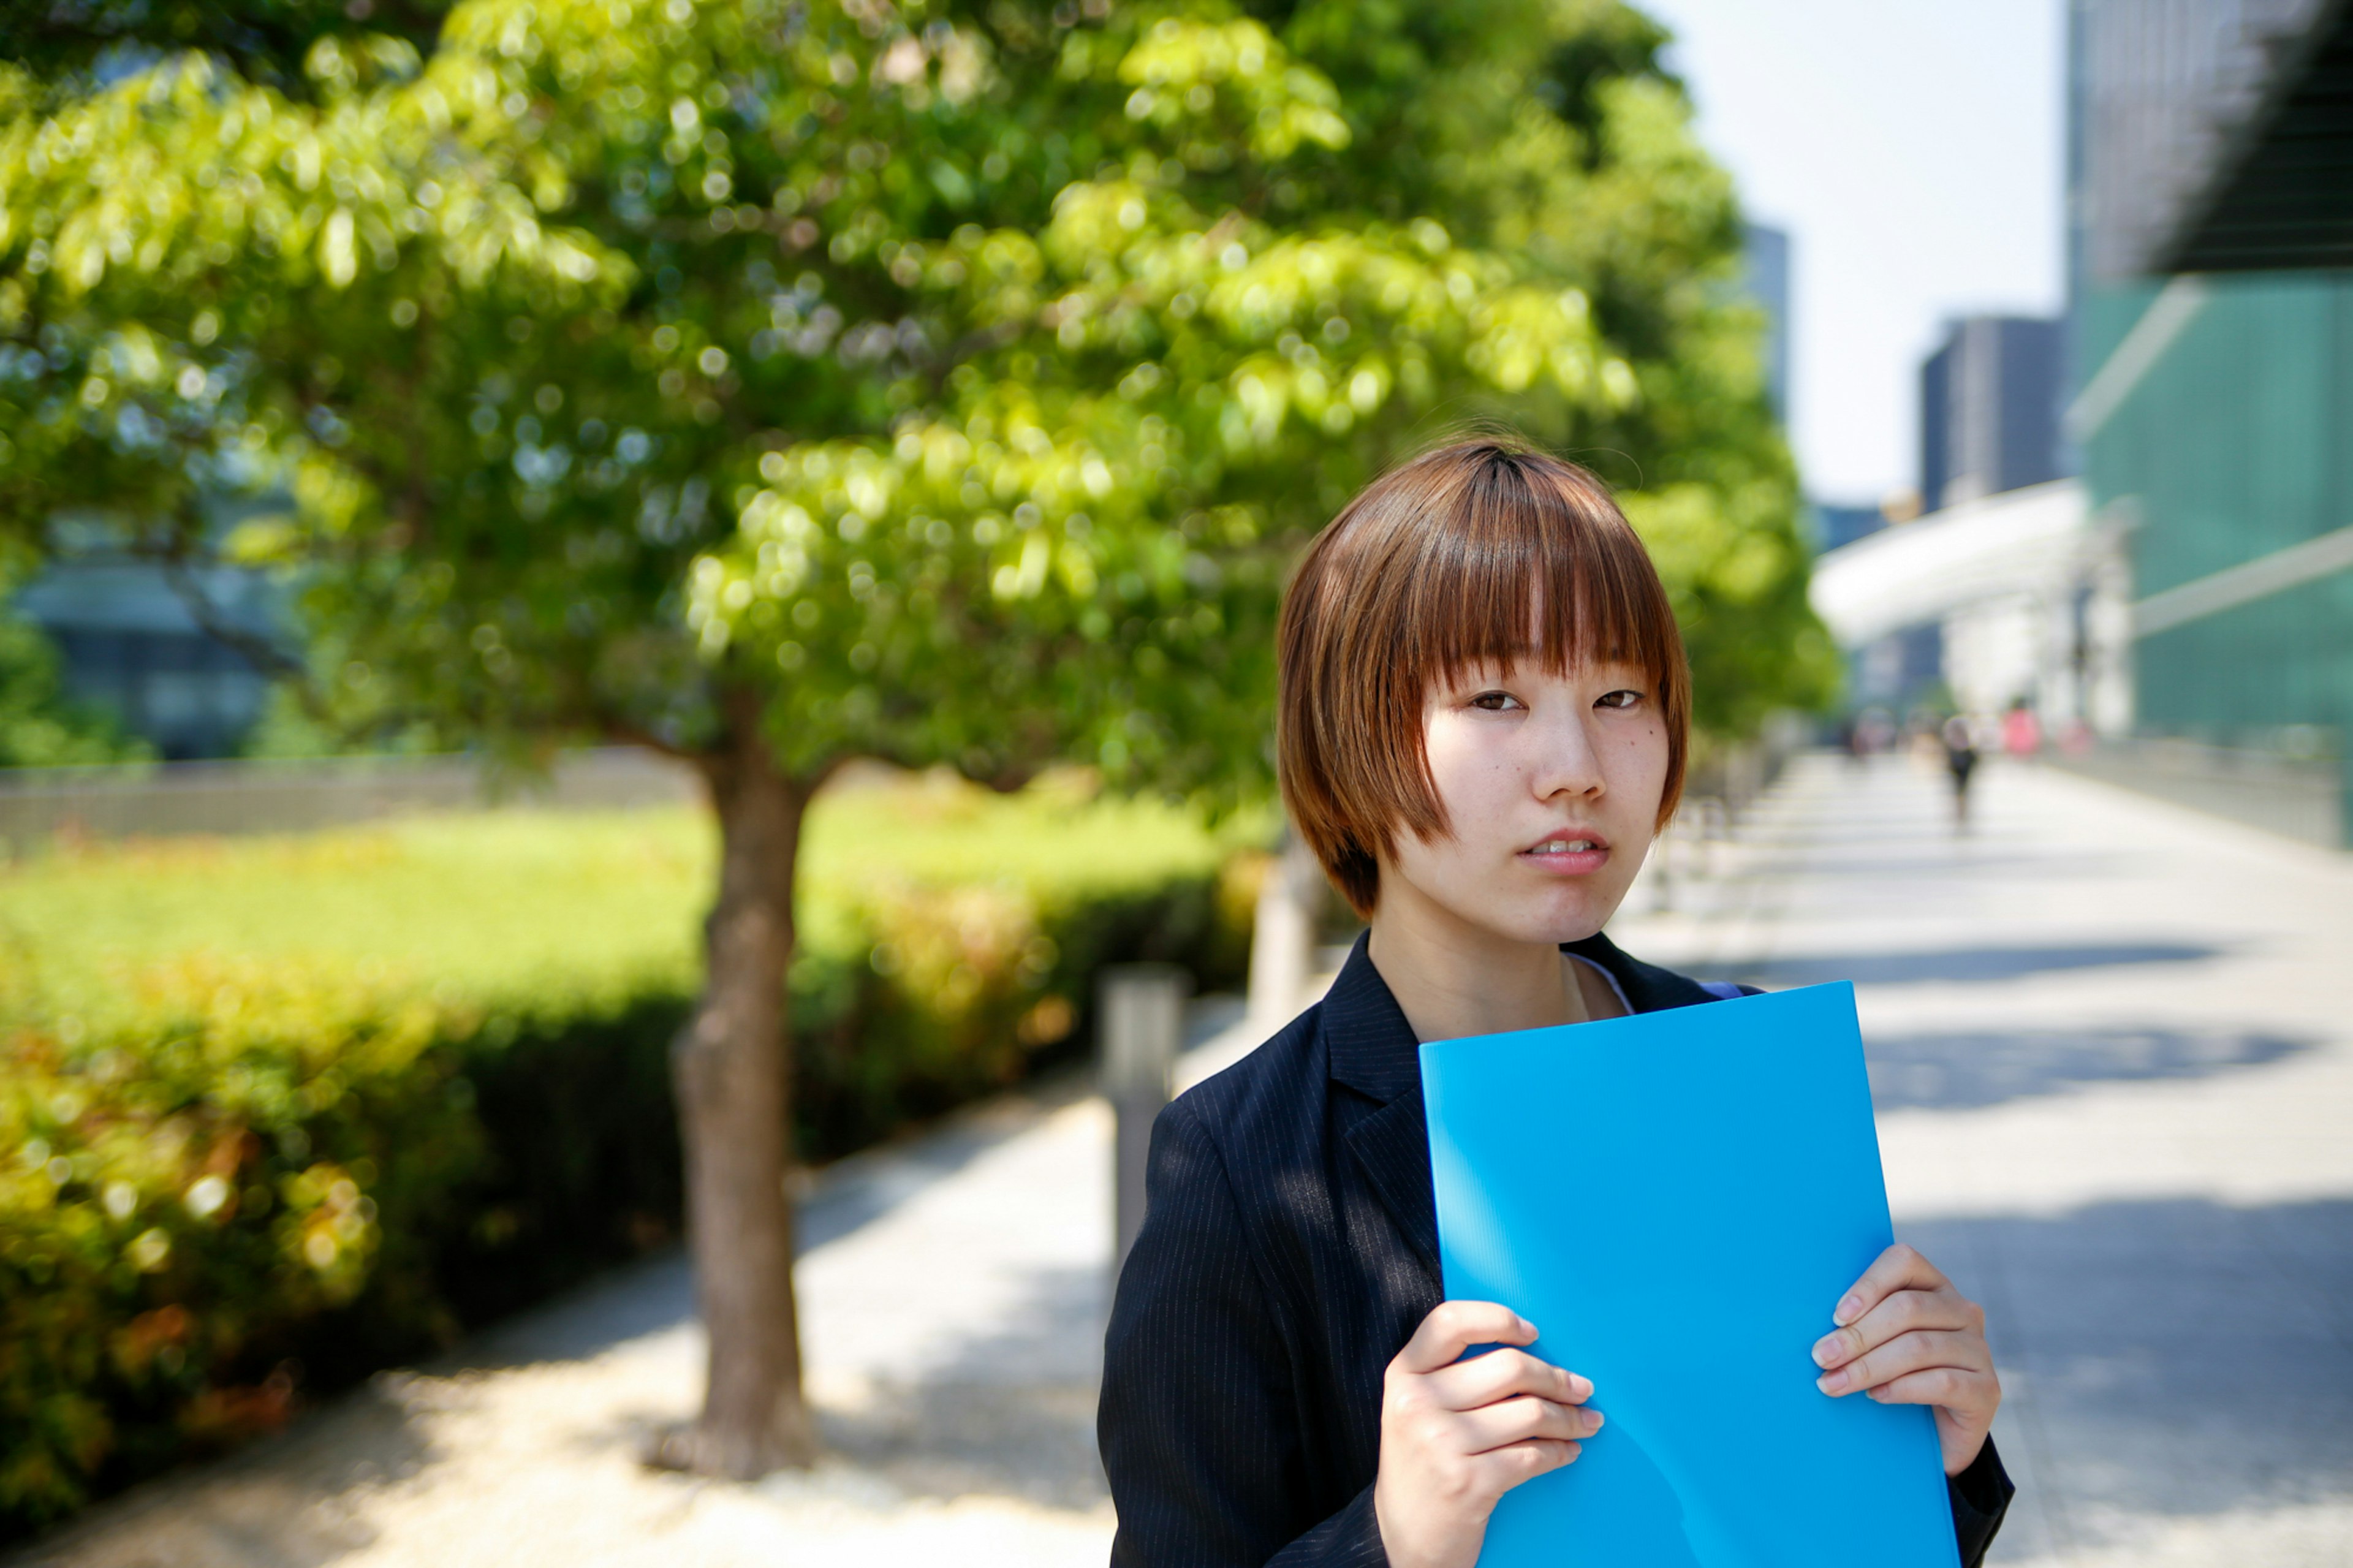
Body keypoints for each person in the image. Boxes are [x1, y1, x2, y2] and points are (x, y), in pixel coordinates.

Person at [1099, 439, 2012, 1567]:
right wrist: (1395, 1536)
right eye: (1496, 695)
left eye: (1619, 693)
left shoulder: (1734, 1061)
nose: (1576, 763)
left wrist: (1940, 1456)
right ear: (1351, 734)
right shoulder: (1241, 1163)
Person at [1941, 713, 1980, 828]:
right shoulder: (1964, 728)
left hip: (1961, 759)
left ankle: (1960, 812)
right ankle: (1960, 812)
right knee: (1961, 790)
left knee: (1960, 790)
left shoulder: (1955, 728)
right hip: (1960, 760)